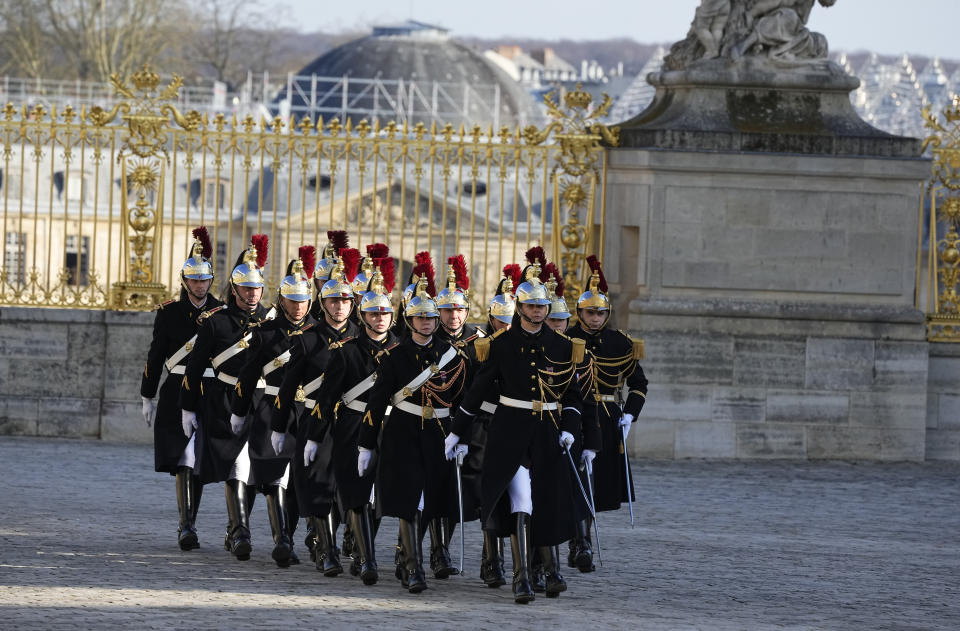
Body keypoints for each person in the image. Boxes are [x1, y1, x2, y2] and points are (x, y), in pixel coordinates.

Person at [448, 261, 586, 604]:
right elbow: (477, 391)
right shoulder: (500, 344)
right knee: (521, 500)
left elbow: (571, 394)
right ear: (520, 308)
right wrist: (457, 432)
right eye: (531, 306)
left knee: (548, 501)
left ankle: (550, 570)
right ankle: (522, 577)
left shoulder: (563, 347)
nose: (537, 311)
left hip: (549, 433)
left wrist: (569, 427)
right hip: (510, 432)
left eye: (542, 306)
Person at [358, 271, 468, 594]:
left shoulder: (450, 356)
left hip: (438, 435)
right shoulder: (395, 357)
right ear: (409, 320)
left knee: (429, 501)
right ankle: (415, 568)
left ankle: (407, 560)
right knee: (411, 501)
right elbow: (377, 403)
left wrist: (462, 436)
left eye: (431, 318)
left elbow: (462, 398)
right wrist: (366, 444)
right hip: (403, 435)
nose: (426, 323)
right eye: (420, 318)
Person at [179, 234, 273, 562]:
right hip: (224, 399)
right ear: (234, 290)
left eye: (256, 288)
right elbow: (193, 369)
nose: (251, 294)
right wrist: (188, 408)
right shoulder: (215, 322)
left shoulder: (271, 323)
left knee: (257, 469)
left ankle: (251, 530)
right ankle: (239, 529)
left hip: (262, 400)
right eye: (246, 288)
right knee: (236, 465)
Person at [270, 254, 360, 576]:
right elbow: (287, 387)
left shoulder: (361, 340)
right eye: (333, 301)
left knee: (344, 489)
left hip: (350, 422)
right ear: (322, 303)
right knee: (317, 486)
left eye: (345, 301)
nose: (339, 307)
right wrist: (279, 427)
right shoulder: (307, 340)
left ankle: (351, 546)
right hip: (313, 419)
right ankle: (327, 550)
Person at [312, 257, 398, 585]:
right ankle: (367, 559)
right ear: (363, 317)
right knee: (359, 493)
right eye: (374, 313)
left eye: (385, 313)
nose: (379, 319)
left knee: (379, 495)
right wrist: (313, 437)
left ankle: (364, 548)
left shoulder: (400, 349)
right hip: (353, 424)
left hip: (391, 428)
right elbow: (327, 397)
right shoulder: (346, 351)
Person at [228, 250, 317, 567]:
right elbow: (248, 376)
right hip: (273, 404)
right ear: (282, 300)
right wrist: (239, 411)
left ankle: (290, 536)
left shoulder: (318, 333)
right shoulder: (266, 333)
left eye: (302, 300)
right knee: (275, 476)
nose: (297, 307)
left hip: (307, 409)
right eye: (292, 300)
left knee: (298, 479)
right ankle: (282, 540)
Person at [141, 226, 222, 551]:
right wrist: (147, 393)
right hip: (177, 388)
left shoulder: (222, 312)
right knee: (184, 458)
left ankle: (192, 521)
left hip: (211, 390)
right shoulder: (170, 312)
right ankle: (186, 525)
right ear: (185, 280)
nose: (199, 285)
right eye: (194, 280)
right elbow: (156, 354)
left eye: (204, 280)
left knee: (200, 458)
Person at [566, 255, 648, 571]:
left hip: (609, 415)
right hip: (576, 414)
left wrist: (630, 414)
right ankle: (581, 542)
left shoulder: (620, 343)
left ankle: (580, 539)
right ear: (580, 312)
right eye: (590, 312)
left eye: (601, 312)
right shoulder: (567, 339)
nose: (596, 317)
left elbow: (638, 383)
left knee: (598, 481)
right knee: (579, 479)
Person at [428, 254, 484, 579]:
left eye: (459, 309)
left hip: (464, 423)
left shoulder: (478, 341)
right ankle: (436, 551)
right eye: (448, 310)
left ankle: (442, 547)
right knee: (435, 486)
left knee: (455, 490)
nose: (454, 316)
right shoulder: (428, 340)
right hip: (433, 420)